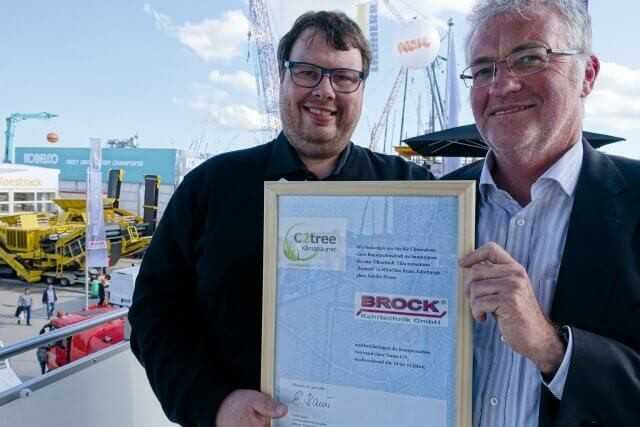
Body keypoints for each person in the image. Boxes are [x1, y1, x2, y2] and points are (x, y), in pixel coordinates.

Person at [129, 10, 433, 427]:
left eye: (344, 77)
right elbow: (154, 314)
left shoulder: (415, 193)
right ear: (282, 78)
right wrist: (213, 404)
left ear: (361, 90)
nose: (325, 91)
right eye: (308, 72)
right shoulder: (211, 186)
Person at [445, 1, 640, 425]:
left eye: (529, 58)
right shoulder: (432, 203)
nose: (502, 85)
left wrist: (553, 348)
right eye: (482, 69)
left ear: (586, 75)